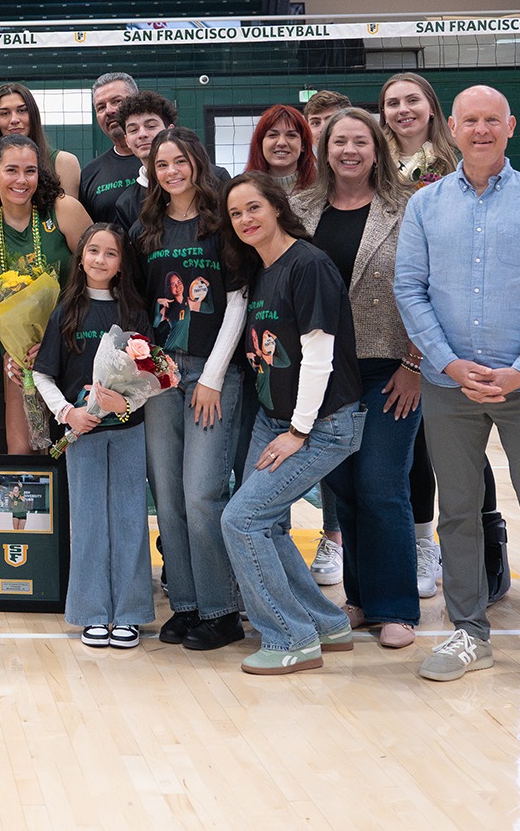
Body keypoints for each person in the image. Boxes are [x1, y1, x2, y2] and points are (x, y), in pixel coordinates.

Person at [394, 85, 520, 696]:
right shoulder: (424, 207)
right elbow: (410, 291)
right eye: (470, 120)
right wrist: (448, 364)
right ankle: (469, 632)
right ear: (452, 128)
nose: (480, 130)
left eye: (491, 121)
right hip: (449, 386)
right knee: (457, 511)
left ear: (510, 127)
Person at [215, 173, 366, 674]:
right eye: (236, 214)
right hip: (275, 417)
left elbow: (319, 356)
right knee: (267, 522)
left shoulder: (309, 264)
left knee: (241, 520)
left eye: (253, 207)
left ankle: (288, 636)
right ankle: (325, 623)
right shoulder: (260, 268)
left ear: (277, 207)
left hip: (319, 425)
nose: (245, 220)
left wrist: (298, 432)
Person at [292, 109, 424, 649]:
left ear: (378, 149)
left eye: (359, 141)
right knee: (343, 488)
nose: (349, 150)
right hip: (322, 371)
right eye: (338, 141)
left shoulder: (409, 208)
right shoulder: (300, 209)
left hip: (390, 368)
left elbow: (428, 288)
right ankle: (360, 598)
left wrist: (415, 365)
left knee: (381, 483)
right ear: (324, 150)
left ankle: (395, 607)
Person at [129, 126, 250, 652]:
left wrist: (216, 377)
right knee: (170, 496)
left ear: (198, 163)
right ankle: (186, 603)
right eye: (162, 165)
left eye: (180, 161)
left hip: (211, 376)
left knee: (203, 494)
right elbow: (137, 305)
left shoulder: (223, 223)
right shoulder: (146, 228)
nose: (172, 171)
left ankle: (222, 609)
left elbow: (239, 301)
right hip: (160, 377)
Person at [33, 223, 151, 648]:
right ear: (80, 257)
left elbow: (152, 377)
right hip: (81, 434)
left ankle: (131, 612)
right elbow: (42, 374)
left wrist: (129, 404)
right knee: (86, 522)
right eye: (93, 251)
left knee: (128, 518)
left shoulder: (133, 313)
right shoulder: (65, 312)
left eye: (111, 254)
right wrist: (68, 413)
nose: (100, 260)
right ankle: (90, 612)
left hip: (127, 432)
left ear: (121, 265)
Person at [379, 70, 470, 598]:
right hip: (381, 314)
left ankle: (434, 545)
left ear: (432, 108)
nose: (403, 110)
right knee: (400, 442)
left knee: (446, 445)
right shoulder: (374, 162)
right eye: (392, 102)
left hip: (441, 315)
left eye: (412, 100)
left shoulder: (454, 164)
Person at [0, 134, 89, 452]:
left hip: (75, 346)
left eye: (30, 170)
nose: (22, 180)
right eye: (11, 170)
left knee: (73, 448)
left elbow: (101, 276)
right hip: (25, 362)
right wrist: (13, 352)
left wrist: (58, 338)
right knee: (22, 452)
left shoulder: (64, 210)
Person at [0, 83, 81, 200]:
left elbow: (69, 215)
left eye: (22, 110)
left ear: (33, 115)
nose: (14, 120)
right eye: (5, 113)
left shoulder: (64, 163)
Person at [107, 91, 181, 233]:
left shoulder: (213, 178)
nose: (142, 134)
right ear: (127, 140)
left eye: (151, 126)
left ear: (170, 130)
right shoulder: (127, 203)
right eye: (133, 130)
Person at [77, 72, 143, 223]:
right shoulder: (89, 175)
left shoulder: (166, 161)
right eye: (101, 107)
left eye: (117, 101)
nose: (109, 110)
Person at [244, 105, 315, 191]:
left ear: (303, 145)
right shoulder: (245, 189)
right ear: (260, 143)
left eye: (291, 135)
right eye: (272, 135)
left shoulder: (322, 188)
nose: (281, 143)